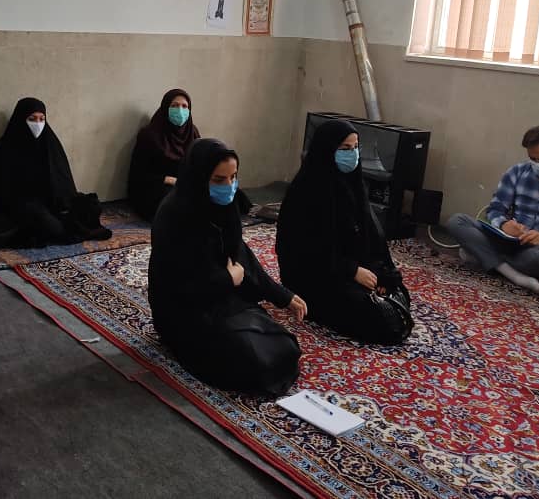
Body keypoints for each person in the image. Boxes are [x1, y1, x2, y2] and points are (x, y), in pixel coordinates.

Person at [148, 138, 305, 396]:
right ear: (199, 177)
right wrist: (227, 279)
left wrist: (281, 295)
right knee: (255, 362)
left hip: (221, 297)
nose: (229, 186)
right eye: (219, 180)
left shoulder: (224, 208)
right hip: (184, 311)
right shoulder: (174, 216)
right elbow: (177, 285)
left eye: (233, 177)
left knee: (285, 347)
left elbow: (243, 257)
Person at [275, 119, 412, 345]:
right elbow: (304, 251)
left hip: (350, 267)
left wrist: (380, 273)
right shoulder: (305, 191)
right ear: (327, 150)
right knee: (376, 317)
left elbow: (370, 239)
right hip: (313, 276)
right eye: (345, 148)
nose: (353, 154)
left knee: (396, 291)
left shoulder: (354, 186)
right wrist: (352, 271)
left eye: (356, 147)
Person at [447, 126, 539, 296]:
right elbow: (495, 209)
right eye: (533, 159)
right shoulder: (517, 172)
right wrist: (503, 224)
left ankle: (482, 256)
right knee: (457, 221)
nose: (538, 165)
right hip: (508, 241)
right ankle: (513, 274)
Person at [0, 97, 111, 248]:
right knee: (48, 222)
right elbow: (1, 188)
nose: (38, 124)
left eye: (41, 119)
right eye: (32, 119)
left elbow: (62, 179)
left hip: (51, 202)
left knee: (90, 205)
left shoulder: (49, 142)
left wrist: (64, 201)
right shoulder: (6, 146)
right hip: (23, 205)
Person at [127, 89, 201, 221]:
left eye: (184, 106)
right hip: (156, 186)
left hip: (184, 183)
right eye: (174, 106)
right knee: (174, 198)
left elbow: (199, 163)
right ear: (165, 107)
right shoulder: (149, 135)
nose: (180, 110)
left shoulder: (192, 132)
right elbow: (138, 174)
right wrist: (168, 179)